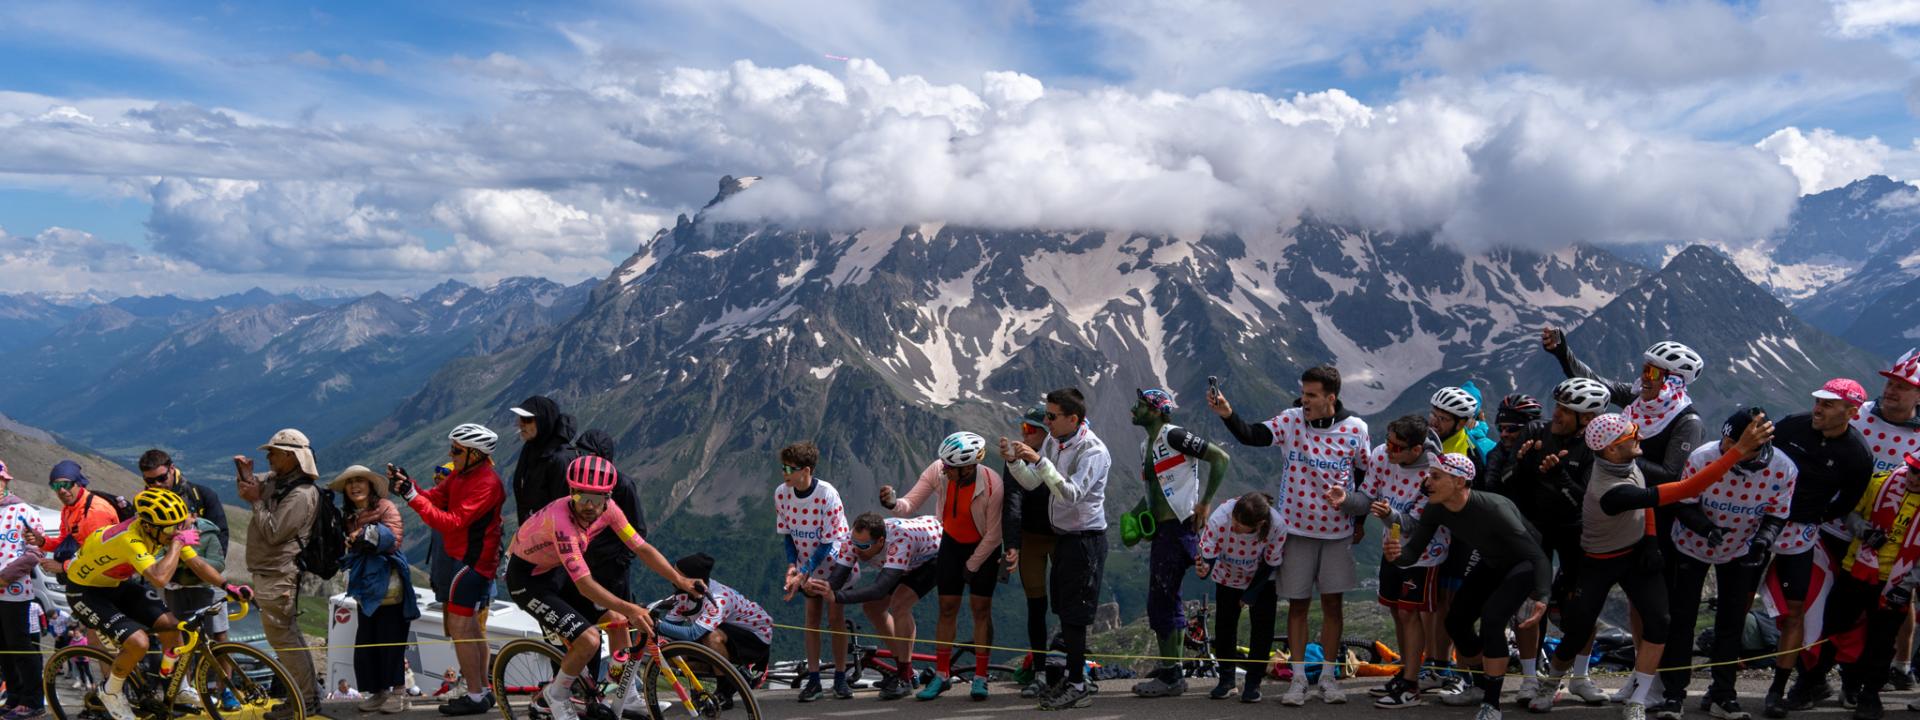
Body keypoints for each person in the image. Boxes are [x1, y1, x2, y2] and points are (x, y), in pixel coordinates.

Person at [1529, 412, 1770, 720]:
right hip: (1598, 561)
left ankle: (1639, 699)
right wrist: (1738, 451)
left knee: (1659, 622)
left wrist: (1652, 539)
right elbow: (1685, 489)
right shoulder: (1609, 489)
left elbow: (1647, 501)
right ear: (1613, 449)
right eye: (1633, 436)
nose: (1640, 437)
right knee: (1577, 630)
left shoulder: (1627, 462)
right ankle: (1550, 685)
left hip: (1633, 553)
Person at [1209, 365, 1370, 705]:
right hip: (1296, 531)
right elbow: (1253, 435)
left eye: (1311, 395)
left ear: (1331, 397)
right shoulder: (1292, 420)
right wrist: (1228, 415)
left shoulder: (1357, 428)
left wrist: (1359, 520)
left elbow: (1363, 475)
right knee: (1297, 607)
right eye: (1303, 392)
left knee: (1332, 606)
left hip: (1337, 533)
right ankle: (1297, 679)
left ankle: (1328, 677)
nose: (1303, 400)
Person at [507, 455, 700, 720]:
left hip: (555, 571)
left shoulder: (609, 509)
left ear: (608, 497)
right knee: (588, 639)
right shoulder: (561, 521)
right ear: (571, 492)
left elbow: (640, 547)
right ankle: (556, 694)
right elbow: (585, 585)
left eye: (597, 500)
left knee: (619, 621)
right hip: (527, 580)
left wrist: (681, 581)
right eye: (581, 498)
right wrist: (632, 607)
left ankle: (628, 695)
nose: (589, 506)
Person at [39, 489, 253, 720]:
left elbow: (197, 563)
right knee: (138, 642)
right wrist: (177, 545)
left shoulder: (163, 531)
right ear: (150, 526)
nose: (177, 531)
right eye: (172, 528)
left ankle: (178, 686)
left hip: (115, 585)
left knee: (173, 626)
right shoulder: (129, 539)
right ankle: (110, 692)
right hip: (85, 592)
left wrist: (227, 586)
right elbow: (159, 578)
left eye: (179, 525)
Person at [1384, 452, 1551, 720]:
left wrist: (1542, 596)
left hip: (1524, 564)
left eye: (1436, 476)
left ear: (1460, 482)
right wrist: (1397, 556)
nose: (1428, 482)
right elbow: (1412, 553)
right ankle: (1481, 686)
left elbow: (1538, 556)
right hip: (1493, 562)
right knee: (1456, 622)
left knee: (1493, 620)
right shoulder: (1436, 507)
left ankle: (1492, 704)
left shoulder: (1494, 509)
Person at [1654, 409, 1795, 720]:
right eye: (1725, 440)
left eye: (1734, 443)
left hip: (1740, 549)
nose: (1725, 448)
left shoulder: (1783, 468)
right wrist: (1705, 528)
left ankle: (1722, 695)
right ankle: (1673, 696)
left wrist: (1763, 541)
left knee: (1731, 624)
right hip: (1691, 544)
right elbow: (1683, 501)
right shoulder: (1705, 457)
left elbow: (1777, 513)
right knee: (1682, 620)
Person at [1764, 379, 1874, 717]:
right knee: (1735, 603)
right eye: (1817, 401)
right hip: (1760, 522)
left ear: (1851, 412)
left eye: (1828, 404)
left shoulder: (1858, 454)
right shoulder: (1793, 425)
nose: (1818, 408)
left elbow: (1847, 501)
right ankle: (1720, 688)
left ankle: (1778, 691)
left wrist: (1814, 515)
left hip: (1802, 534)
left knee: (1797, 610)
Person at [1002, 387, 1110, 711]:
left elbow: (1070, 494)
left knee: (1075, 616)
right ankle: (1072, 677)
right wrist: (1014, 463)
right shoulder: (1055, 440)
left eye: (1051, 416)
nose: (1045, 421)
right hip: (1065, 536)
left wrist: (1038, 459)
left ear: (1072, 419)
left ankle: (1079, 685)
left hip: (1086, 539)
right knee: (1064, 613)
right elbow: (1034, 482)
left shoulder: (1093, 450)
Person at [1326, 415, 1445, 709]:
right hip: (1391, 547)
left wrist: (1390, 516)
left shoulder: (1434, 471)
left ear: (1416, 449)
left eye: (1397, 446)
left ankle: (1412, 686)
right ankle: (1405, 672)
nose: (1388, 450)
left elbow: (1421, 524)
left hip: (1423, 553)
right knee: (1395, 610)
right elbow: (1367, 497)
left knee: (1408, 614)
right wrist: (1346, 500)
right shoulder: (1381, 455)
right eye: (1388, 441)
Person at [390, 423, 505, 717]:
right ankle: (483, 691)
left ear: (475, 454)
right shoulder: (462, 473)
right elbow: (437, 497)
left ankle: (476, 695)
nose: (450, 454)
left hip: (472, 561)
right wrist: (409, 484)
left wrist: (410, 498)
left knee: (460, 628)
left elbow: (450, 522)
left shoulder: (486, 483)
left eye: (456, 450)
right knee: (473, 628)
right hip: (469, 559)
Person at [1793, 454, 1920, 720]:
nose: (1914, 477)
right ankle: (1810, 684)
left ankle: (1870, 695)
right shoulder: (1878, 483)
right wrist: (1863, 530)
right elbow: (1851, 513)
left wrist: (1907, 585)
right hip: (1856, 570)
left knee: (1881, 643)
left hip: (1896, 584)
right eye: (1912, 470)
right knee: (1832, 629)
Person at [1511, 377, 1614, 703]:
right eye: (1557, 405)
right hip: (1534, 527)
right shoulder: (1534, 433)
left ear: (1587, 419)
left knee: (1584, 605)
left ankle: (1580, 678)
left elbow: (1587, 500)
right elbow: (1507, 485)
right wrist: (1521, 466)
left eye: (1566, 410)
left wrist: (1560, 477)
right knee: (1529, 602)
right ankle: (1529, 679)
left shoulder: (1596, 446)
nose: (1556, 413)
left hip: (1576, 529)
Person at [1125, 388, 1232, 699]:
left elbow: (1220, 458)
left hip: (1178, 528)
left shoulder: (1174, 436)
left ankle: (1172, 676)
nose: (1134, 408)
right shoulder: (1148, 442)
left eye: (1141, 404)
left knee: (1162, 600)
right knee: (1167, 596)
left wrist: (1205, 503)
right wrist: (1135, 516)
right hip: (1163, 529)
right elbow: (1156, 490)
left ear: (1157, 410)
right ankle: (1172, 666)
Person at [881, 432, 1004, 701]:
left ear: (969, 467)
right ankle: (942, 674)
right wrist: (892, 503)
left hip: (984, 546)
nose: (945, 471)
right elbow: (910, 503)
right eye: (945, 465)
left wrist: (972, 565)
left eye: (952, 468)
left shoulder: (993, 484)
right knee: (947, 608)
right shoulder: (940, 469)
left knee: (981, 610)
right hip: (951, 543)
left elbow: (995, 534)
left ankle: (981, 677)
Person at [807, 513, 944, 701]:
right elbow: (837, 578)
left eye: (863, 546)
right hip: (906, 561)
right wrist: (820, 587)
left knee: (900, 605)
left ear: (880, 541)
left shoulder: (900, 540)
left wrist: (836, 597)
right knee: (872, 609)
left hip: (934, 555)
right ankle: (907, 671)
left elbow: (879, 590)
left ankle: (904, 677)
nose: (857, 549)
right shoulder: (853, 540)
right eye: (855, 543)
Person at [234, 429, 321, 717]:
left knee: (285, 641)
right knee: (287, 639)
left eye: (273, 452)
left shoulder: (301, 494)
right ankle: (305, 698)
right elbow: (252, 489)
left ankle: (303, 701)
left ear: (290, 456)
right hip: (270, 572)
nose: (268, 456)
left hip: (279, 574)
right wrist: (246, 475)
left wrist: (256, 502)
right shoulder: (280, 482)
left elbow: (273, 533)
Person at [1854, 351, 1920, 692]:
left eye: (1902, 386)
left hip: (1905, 532)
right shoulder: (1860, 414)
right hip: (1850, 524)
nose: (1891, 390)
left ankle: (1901, 664)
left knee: (1900, 597)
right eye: (1890, 383)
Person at [774, 441, 854, 702]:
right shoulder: (782, 493)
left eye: (790, 468)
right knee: (811, 619)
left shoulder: (827, 494)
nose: (784, 472)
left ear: (806, 470)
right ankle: (815, 679)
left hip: (836, 563)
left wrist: (804, 571)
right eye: (783, 466)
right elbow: (787, 535)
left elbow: (829, 542)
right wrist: (792, 566)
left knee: (834, 619)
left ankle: (841, 678)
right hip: (806, 563)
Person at [336, 465, 416, 715]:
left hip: (390, 586)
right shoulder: (348, 516)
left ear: (370, 485)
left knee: (391, 641)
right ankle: (379, 692)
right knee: (368, 643)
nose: (355, 486)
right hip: (365, 590)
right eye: (350, 483)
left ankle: (399, 693)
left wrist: (363, 535)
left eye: (360, 481)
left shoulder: (385, 508)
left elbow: (394, 538)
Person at [1194, 492, 1285, 703]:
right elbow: (1207, 554)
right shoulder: (1221, 517)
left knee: (1262, 629)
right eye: (1233, 520)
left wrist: (1251, 594)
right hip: (1227, 574)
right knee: (1225, 627)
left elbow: (1271, 562)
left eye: (1239, 526)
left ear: (1259, 524)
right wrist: (1203, 569)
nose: (1233, 526)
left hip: (1262, 577)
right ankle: (1226, 680)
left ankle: (1253, 683)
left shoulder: (1277, 526)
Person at [1001, 405, 1058, 698]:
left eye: (1029, 429)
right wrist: (1012, 545)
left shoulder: (1060, 453)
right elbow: (1011, 502)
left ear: (1047, 432)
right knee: (1036, 606)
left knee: (1066, 603)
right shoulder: (1016, 458)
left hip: (1062, 536)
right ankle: (1038, 672)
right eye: (1022, 428)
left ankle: (1070, 671)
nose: (1023, 434)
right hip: (1032, 537)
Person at [658, 554, 774, 671]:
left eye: (678, 575)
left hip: (756, 640)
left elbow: (693, 634)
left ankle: (725, 683)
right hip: (725, 636)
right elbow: (669, 629)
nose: (672, 578)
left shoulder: (718, 599)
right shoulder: (683, 594)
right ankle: (716, 669)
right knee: (671, 659)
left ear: (693, 579)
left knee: (711, 636)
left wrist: (657, 624)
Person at [0, 455, 47, 720]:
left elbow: (36, 551)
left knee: (20, 646)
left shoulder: (24, 511)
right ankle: (14, 697)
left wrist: (6, 577)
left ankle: (33, 701)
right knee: (3, 647)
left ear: (6, 481)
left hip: (15, 591)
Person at [137, 449, 231, 553]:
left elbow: (221, 534)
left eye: (162, 478)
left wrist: (213, 565)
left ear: (172, 468)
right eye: (150, 481)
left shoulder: (203, 495)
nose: (157, 484)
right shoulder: (142, 504)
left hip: (198, 562)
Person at [36, 460, 121, 572]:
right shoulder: (69, 508)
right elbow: (64, 542)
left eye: (66, 484)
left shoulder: (95, 511)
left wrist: (63, 567)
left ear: (78, 484)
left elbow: (100, 555)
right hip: (85, 575)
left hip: (106, 578)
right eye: (56, 486)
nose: (62, 490)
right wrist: (42, 542)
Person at [509, 395, 578, 525]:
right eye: (520, 418)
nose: (520, 424)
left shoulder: (561, 458)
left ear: (543, 422)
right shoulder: (531, 448)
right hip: (531, 532)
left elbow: (563, 508)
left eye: (527, 419)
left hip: (552, 536)